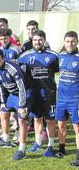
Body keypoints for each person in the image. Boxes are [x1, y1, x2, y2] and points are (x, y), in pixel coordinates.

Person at [17, 30, 58, 157]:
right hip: (34, 95)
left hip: (49, 94)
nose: (37, 42)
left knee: (50, 120)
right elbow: (16, 67)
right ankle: (38, 142)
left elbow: (59, 69)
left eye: (40, 40)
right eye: (35, 40)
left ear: (44, 40)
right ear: (32, 41)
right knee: (37, 119)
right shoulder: (25, 56)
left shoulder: (53, 55)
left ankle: (51, 146)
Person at [0, 49, 32, 161]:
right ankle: (5, 139)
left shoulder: (12, 69)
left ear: (3, 59)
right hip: (12, 95)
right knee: (3, 112)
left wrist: (22, 106)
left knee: (22, 119)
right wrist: (3, 102)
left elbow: (22, 87)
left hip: (24, 93)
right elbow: (1, 86)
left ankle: (22, 150)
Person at [55, 31, 79, 166]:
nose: (70, 44)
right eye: (68, 41)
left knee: (77, 128)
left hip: (76, 99)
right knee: (61, 125)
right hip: (61, 99)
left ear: (77, 42)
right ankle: (61, 149)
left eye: (73, 41)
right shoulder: (60, 56)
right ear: (64, 42)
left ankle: (78, 156)